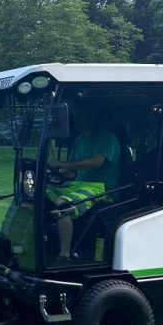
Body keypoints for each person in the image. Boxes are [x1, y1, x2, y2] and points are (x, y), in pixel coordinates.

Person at [46, 105, 120, 261]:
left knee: (62, 204)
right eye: (76, 115)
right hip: (77, 185)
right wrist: (57, 170)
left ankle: (64, 255)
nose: (78, 119)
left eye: (83, 115)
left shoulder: (107, 137)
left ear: (94, 116)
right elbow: (72, 170)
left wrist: (65, 164)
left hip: (101, 187)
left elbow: (97, 162)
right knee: (39, 195)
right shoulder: (79, 140)